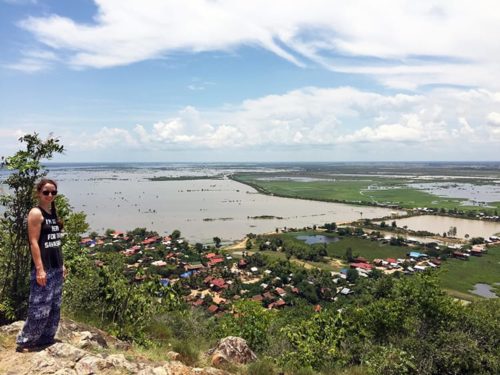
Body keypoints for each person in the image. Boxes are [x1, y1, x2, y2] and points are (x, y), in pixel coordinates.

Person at [16, 178, 67, 352]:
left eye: (53, 192)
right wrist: (39, 269)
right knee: (39, 307)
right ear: (38, 193)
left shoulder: (53, 213)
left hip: (56, 267)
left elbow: (55, 243)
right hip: (44, 268)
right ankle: (26, 341)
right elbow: (33, 242)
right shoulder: (36, 213)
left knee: (54, 306)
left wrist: (62, 265)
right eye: (46, 192)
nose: (50, 195)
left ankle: (45, 338)